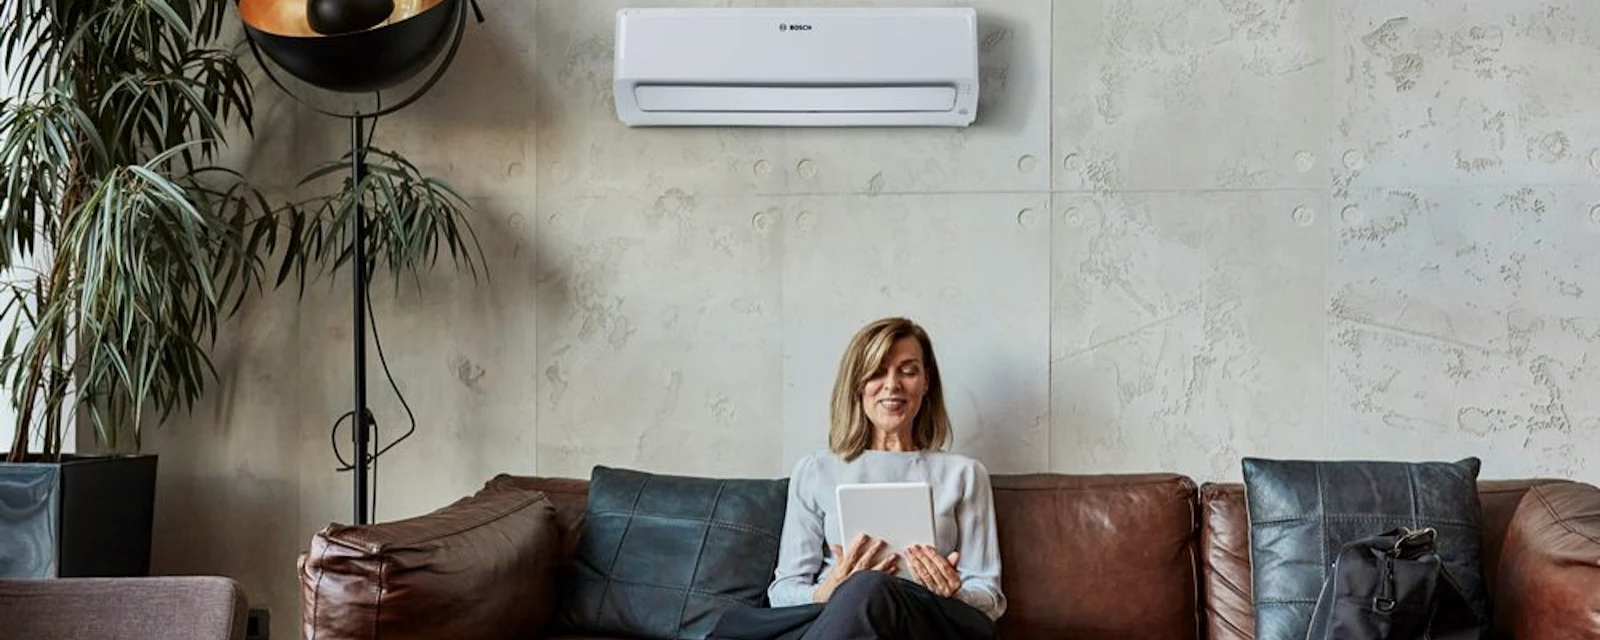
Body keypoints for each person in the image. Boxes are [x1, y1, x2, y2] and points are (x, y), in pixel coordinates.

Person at [711, 317, 1005, 640]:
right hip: (835, 615)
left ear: (926, 383)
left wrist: (953, 590)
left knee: (871, 586)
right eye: (877, 372)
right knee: (860, 592)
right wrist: (830, 588)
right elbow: (783, 592)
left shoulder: (964, 474)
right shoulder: (816, 471)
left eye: (908, 371)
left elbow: (990, 598)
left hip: (924, 620)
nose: (892, 385)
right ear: (858, 385)